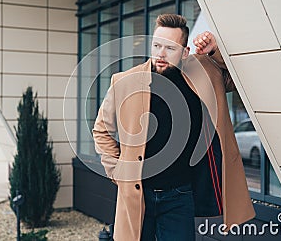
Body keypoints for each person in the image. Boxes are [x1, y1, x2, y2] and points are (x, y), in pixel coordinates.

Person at [93, 14, 255, 241]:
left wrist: (214, 52)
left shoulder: (204, 73)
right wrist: (117, 172)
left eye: (170, 47)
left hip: (180, 194)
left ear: (185, 52)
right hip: (139, 196)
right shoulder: (124, 82)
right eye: (156, 45)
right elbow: (102, 131)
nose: (160, 54)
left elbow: (238, 79)